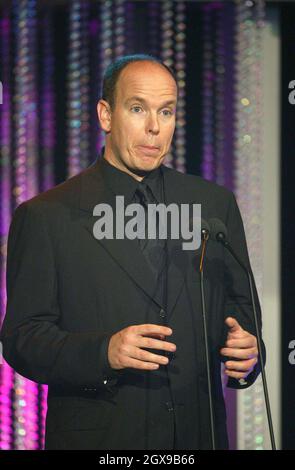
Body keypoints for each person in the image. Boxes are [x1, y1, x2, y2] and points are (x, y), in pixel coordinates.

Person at [0, 54, 265, 450]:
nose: (155, 127)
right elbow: (23, 339)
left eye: (166, 111)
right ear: (106, 115)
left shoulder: (213, 204)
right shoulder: (46, 215)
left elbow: (242, 313)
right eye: (138, 108)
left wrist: (248, 351)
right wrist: (104, 351)